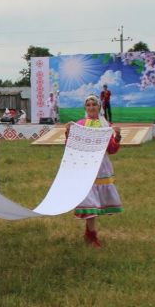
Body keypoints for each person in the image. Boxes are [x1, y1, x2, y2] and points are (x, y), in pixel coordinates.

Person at [66, 95, 123, 247]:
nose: (91, 107)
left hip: (101, 167)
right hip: (85, 166)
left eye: (94, 104)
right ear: (85, 108)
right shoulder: (80, 124)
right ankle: (92, 236)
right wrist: (68, 133)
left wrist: (117, 137)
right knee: (89, 200)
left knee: (96, 201)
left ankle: (89, 233)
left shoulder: (106, 126)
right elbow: (72, 146)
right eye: (88, 105)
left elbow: (111, 149)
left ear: (99, 107)